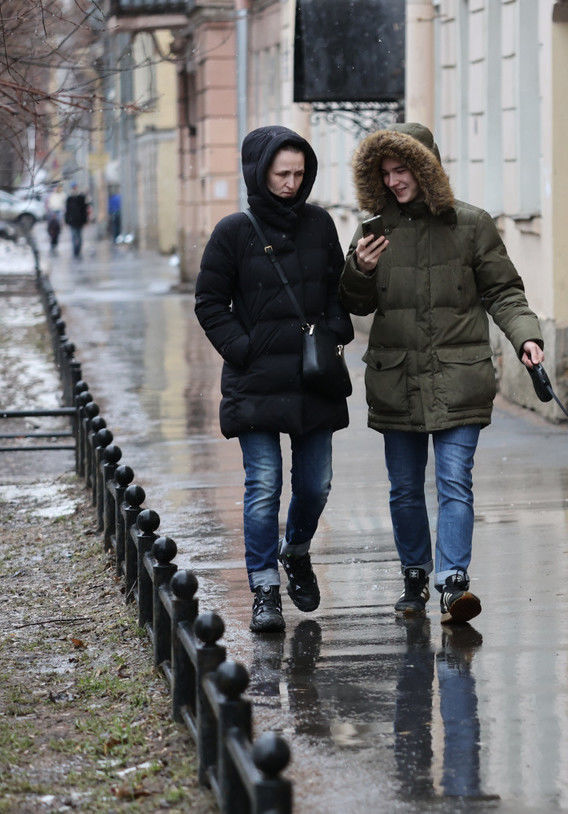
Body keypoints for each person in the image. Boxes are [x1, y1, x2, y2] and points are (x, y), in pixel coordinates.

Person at [339, 122, 544, 625]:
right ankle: (414, 575)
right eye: (384, 173)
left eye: (401, 169)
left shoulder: (471, 225)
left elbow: (503, 291)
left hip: (458, 373)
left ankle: (454, 582)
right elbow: (351, 304)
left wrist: (526, 338)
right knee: (405, 489)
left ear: (425, 167)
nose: (393, 181)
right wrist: (359, 270)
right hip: (396, 377)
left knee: (455, 482)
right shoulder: (373, 231)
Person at [194, 125, 353, 633]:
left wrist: (335, 330)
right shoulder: (233, 232)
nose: (290, 182)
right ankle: (264, 588)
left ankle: (297, 551)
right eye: (281, 173)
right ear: (259, 174)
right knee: (264, 485)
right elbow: (210, 303)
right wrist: (244, 350)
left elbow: (335, 291)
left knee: (316, 484)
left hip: (313, 380)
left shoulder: (320, 225)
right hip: (256, 382)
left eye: (299, 174)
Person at [63, 184, 88, 259]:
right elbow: (67, 211)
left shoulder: (81, 198)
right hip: (72, 221)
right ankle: (75, 251)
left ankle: (78, 249)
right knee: (74, 236)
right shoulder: (69, 199)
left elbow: (84, 210)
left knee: (79, 236)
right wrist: (66, 220)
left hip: (80, 221)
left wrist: (85, 220)